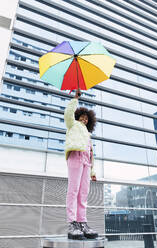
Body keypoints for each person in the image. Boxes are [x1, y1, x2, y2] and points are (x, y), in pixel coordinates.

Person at [64, 88, 98, 240]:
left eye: (86, 119)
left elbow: (91, 154)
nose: (84, 120)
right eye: (82, 117)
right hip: (75, 157)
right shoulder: (73, 125)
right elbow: (68, 114)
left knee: (83, 193)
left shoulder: (88, 135)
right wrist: (75, 99)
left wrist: (93, 171)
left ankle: (82, 222)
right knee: (73, 190)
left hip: (86, 163)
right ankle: (72, 223)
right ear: (78, 117)